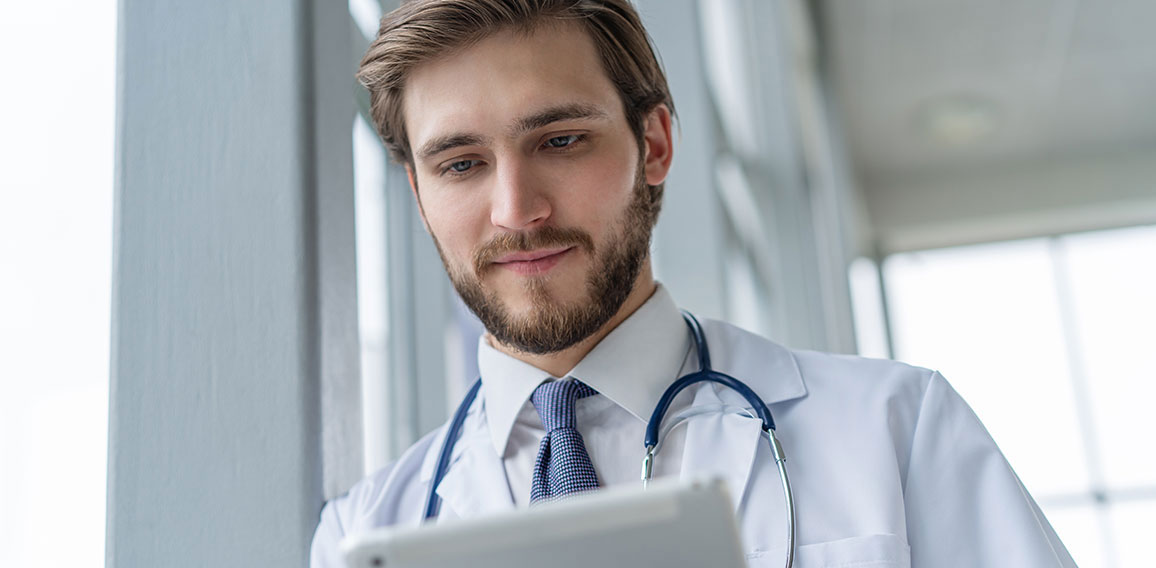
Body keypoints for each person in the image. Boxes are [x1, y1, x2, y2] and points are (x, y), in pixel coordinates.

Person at [311, 1, 1076, 566]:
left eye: (562, 140)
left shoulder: (895, 430)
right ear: (417, 194)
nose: (517, 211)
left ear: (655, 143)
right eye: (461, 164)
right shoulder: (364, 534)